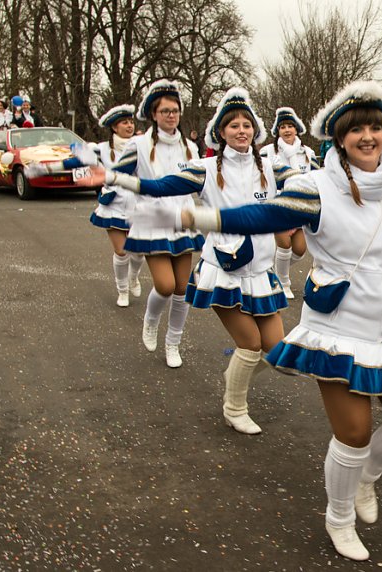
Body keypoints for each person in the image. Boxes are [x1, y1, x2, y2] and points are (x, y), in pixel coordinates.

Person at [129, 80, 382, 561]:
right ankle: (338, 517)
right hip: (339, 330)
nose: (369, 137)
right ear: (339, 138)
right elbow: (263, 214)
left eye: (377, 127)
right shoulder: (314, 187)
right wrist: (205, 220)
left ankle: (367, 479)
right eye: (357, 130)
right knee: (353, 435)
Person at [76, 88, 287, 435]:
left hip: (261, 273)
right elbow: (159, 186)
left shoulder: (272, 167)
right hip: (224, 272)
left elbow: (304, 187)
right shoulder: (204, 169)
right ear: (220, 132)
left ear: (256, 130)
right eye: (233, 125)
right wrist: (112, 177)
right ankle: (235, 408)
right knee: (249, 345)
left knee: (276, 353)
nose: (241, 130)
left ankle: (236, 371)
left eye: (246, 124)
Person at [114, 79, 203, 368]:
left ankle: (173, 342)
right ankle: (151, 319)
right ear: (154, 114)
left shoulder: (189, 147)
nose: (171, 115)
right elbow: (118, 175)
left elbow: (202, 184)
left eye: (175, 110)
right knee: (165, 286)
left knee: (183, 289)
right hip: (153, 220)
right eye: (165, 111)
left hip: (184, 221)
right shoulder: (138, 145)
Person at [89, 104, 145, 307]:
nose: (129, 126)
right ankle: (122, 290)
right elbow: (82, 160)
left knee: (139, 251)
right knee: (122, 252)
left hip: (139, 205)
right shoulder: (102, 149)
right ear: (114, 127)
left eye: (131, 122)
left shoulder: (142, 146)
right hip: (114, 205)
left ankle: (133, 277)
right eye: (124, 123)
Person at [262, 107, 319, 299]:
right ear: (277, 131)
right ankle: (283, 282)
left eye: (290, 126)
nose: (287, 130)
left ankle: (268, 268)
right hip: (278, 205)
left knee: (300, 251)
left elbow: (317, 177)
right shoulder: (267, 152)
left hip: (301, 206)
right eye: (282, 127)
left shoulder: (307, 153)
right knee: (284, 246)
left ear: (297, 129)